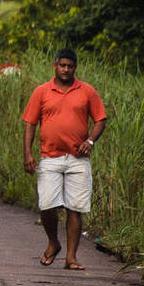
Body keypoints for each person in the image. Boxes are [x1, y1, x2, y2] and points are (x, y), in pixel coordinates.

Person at [23, 50, 108, 270]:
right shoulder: (42, 91)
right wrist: (28, 153)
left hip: (78, 159)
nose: (66, 70)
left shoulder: (87, 91)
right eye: (62, 65)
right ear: (55, 66)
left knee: (74, 208)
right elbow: (30, 123)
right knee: (47, 205)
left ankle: (71, 258)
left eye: (70, 66)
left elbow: (100, 120)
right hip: (49, 157)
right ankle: (53, 242)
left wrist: (89, 141)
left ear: (75, 68)